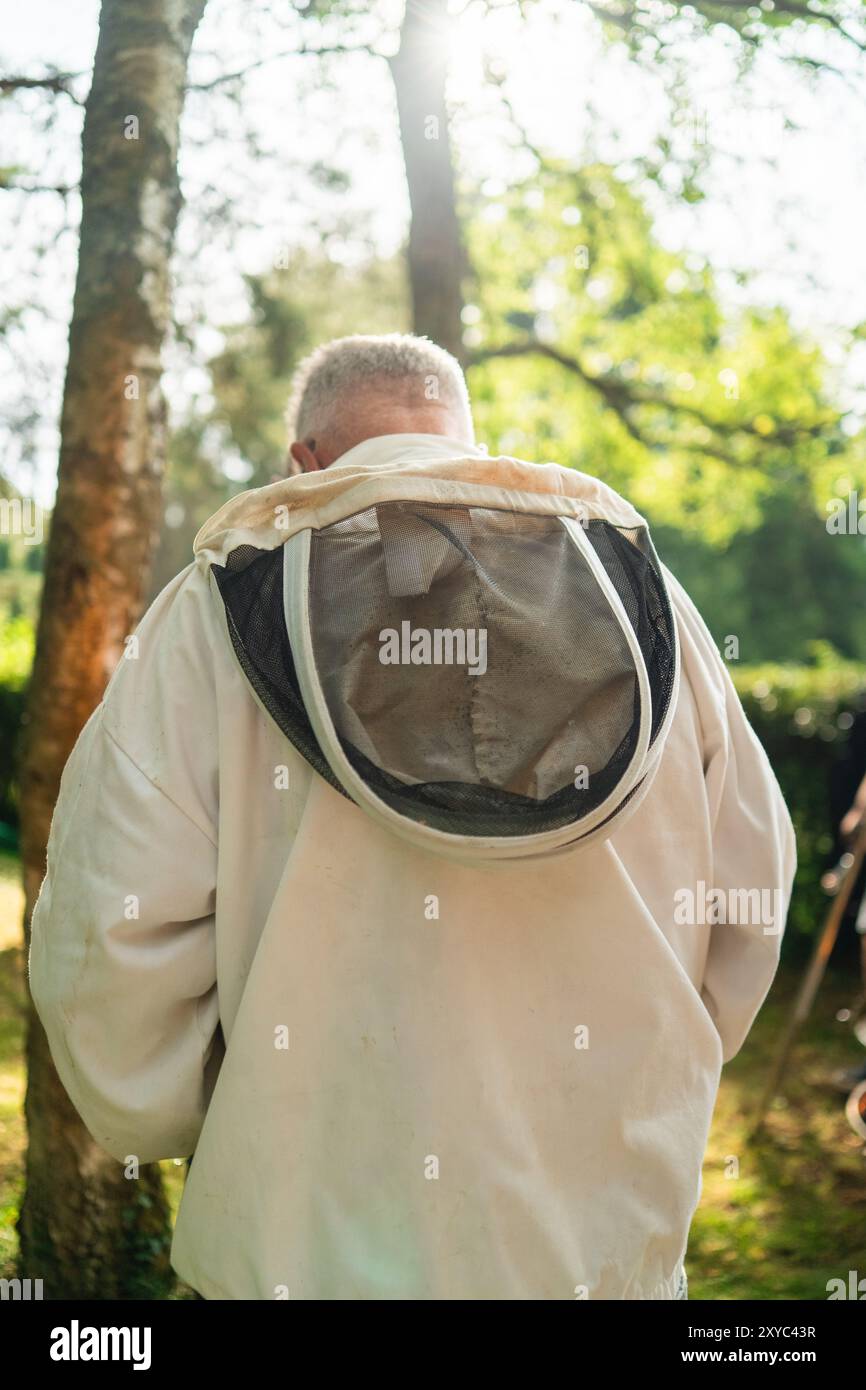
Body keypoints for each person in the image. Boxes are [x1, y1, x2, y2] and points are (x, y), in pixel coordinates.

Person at [29, 332, 796, 1301]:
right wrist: (660, 1066)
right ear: (465, 440)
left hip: (301, 1241)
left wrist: (201, 1124)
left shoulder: (207, 613)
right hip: (599, 1244)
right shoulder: (647, 603)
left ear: (304, 458)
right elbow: (747, 884)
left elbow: (112, 929)